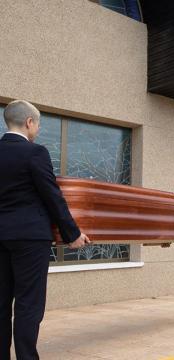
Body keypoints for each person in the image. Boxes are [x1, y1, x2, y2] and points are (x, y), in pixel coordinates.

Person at [0, 100, 91, 360]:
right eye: (38, 124)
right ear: (29, 122)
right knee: (29, 304)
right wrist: (72, 234)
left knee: (1, 304)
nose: (38, 130)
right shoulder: (35, 152)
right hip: (30, 238)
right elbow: (53, 197)